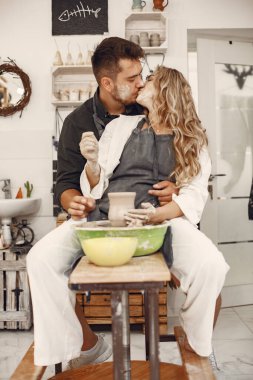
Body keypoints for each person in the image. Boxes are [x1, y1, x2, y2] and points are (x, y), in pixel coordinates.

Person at [26, 37, 177, 368]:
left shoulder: (148, 108)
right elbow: (65, 184)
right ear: (107, 82)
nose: (141, 83)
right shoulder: (77, 122)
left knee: (196, 266)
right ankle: (85, 346)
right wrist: (74, 202)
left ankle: (183, 351)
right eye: (132, 78)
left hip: (148, 218)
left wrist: (175, 190)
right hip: (96, 217)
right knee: (39, 260)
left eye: (142, 75)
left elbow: (180, 157)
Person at [79, 66, 230, 357]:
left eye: (149, 79)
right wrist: (92, 163)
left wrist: (156, 216)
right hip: (112, 215)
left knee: (211, 266)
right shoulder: (120, 126)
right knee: (49, 264)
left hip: (164, 219)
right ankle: (88, 347)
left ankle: (195, 348)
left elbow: (194, 195)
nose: (141, 83)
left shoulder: (192, 139)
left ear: (166, 90)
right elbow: (95, 188)